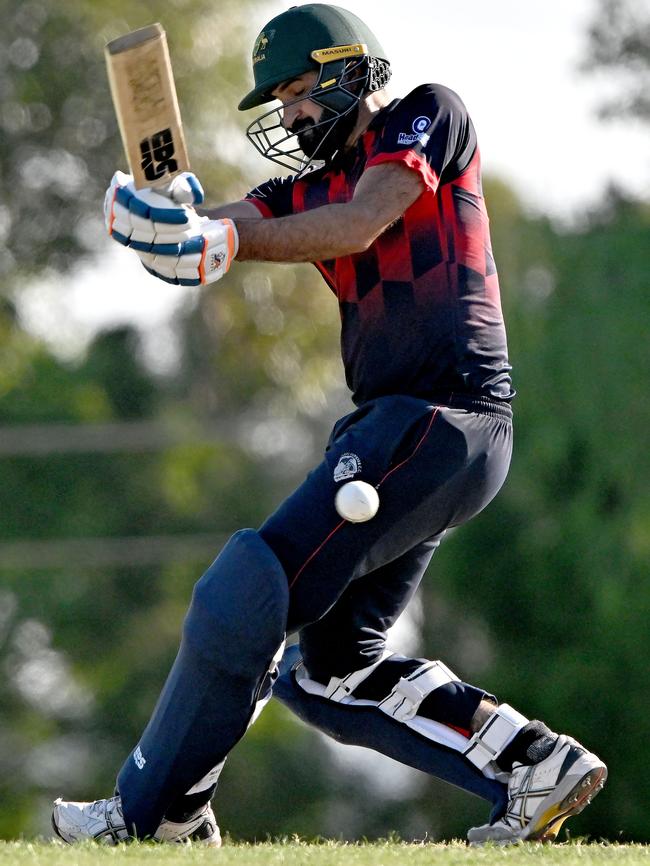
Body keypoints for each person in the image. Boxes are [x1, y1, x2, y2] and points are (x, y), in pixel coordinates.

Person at [52, 3, 606, 847]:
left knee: (247, 588)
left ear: (352, 69)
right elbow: (234, 225)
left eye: (300, 91)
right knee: (326, 674)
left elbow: (362, 220)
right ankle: (532, 764)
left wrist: (221, 244)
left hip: (438, 418)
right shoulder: (302, 189)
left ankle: (152, 812)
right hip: (407, 441)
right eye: (280, 100)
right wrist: (168, 225)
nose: (291, 113)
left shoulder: (429, 113)